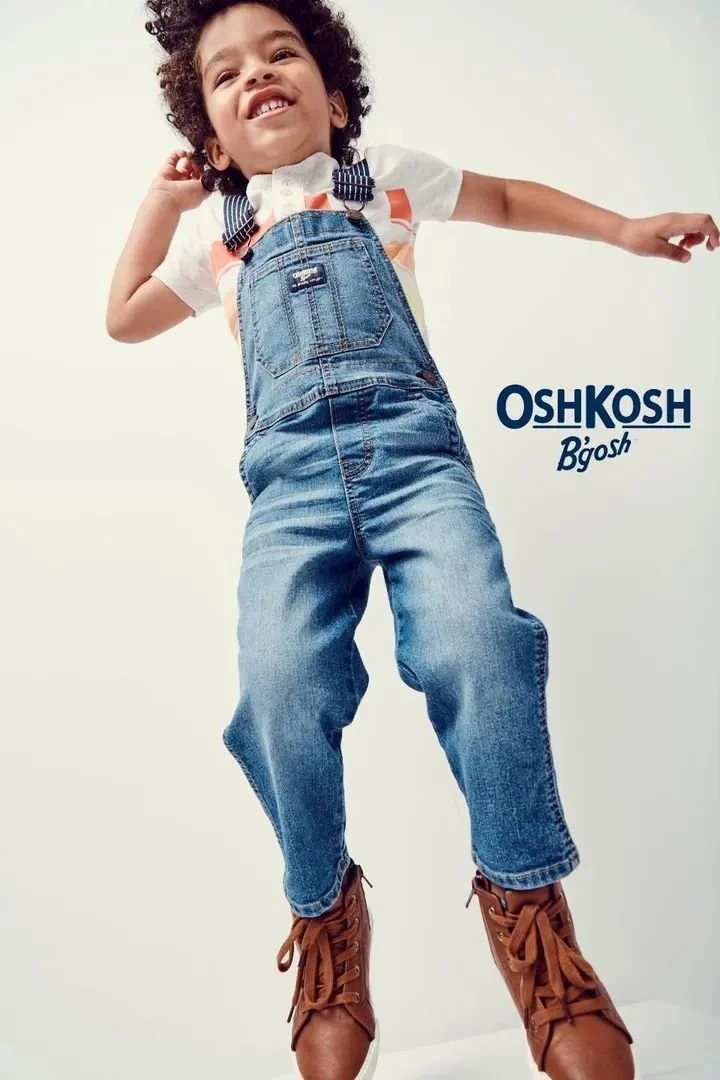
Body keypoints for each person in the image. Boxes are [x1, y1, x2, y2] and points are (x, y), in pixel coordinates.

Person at [105, 2, 718, 1078]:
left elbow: (507, 198)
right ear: (211, 144)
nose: (258, 74)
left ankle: (534, 925)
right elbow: (123, 317)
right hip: (289, 492)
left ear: (336, 100)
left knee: (481, 643)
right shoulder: (215, 237)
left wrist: (623, 229)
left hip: (415, 460)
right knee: (277, 686)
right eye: (226, 75)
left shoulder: (379, 178)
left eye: (282, 53)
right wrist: (160, 206)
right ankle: (326, 921)